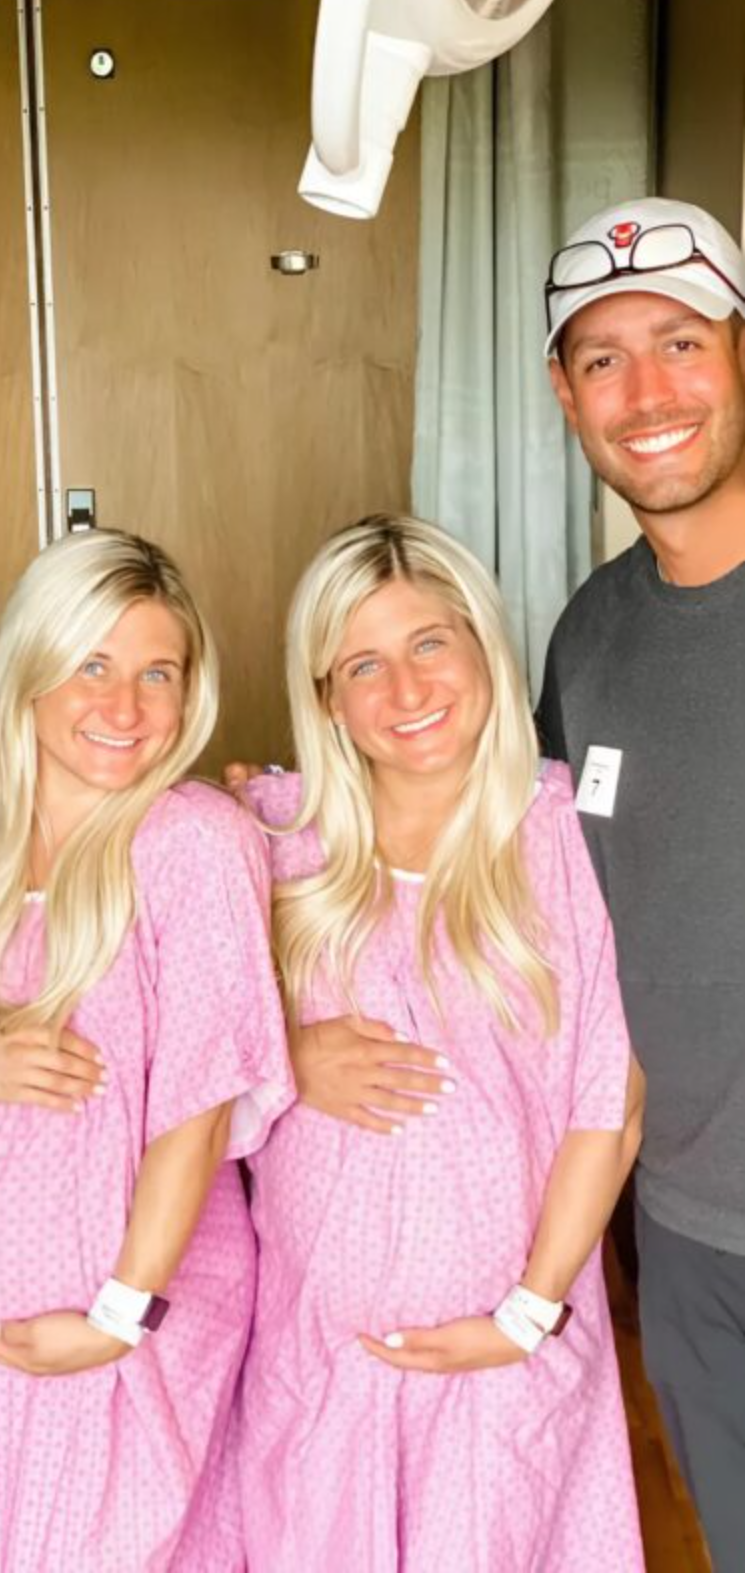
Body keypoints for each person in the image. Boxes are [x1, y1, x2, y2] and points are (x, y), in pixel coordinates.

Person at [235, 515, 646, 1571]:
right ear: (325, 695)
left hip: (504, 1362)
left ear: (482, 645)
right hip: (318, 1364)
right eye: (362, 664)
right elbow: (167, 1060)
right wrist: (285, 1056)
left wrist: (526, 1316)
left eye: (428, 643)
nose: (406, 690)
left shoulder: (566, 832)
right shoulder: (267, 839)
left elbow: (607, 1102)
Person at [0, 529, 292, 1572]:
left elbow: (198, 1110)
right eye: (92, 664)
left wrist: (120, 1315)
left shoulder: (188, 841)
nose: (124, 707)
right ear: (33, 667)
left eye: (156, 674)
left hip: (126, 1317)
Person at [537, 196, 745, 1569]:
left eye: (680, 342)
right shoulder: (591, 640)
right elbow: (528, 902)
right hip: (688, 1238)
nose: (646, 393)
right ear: (564, 396)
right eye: (603, 360)